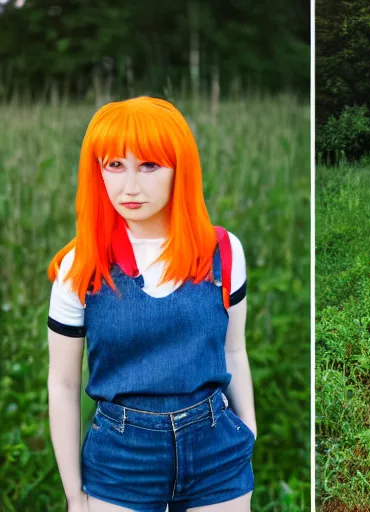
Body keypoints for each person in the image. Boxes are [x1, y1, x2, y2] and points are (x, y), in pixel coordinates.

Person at [46, 96, 256, 512]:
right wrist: (74, 496)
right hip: (121, 459)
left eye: (148, 165)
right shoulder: (79, 266)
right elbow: (64, 384)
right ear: (97, 171)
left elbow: (234, 350)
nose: (130, 187)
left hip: (217, 451)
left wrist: (248, 430)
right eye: (114, 166)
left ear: (180, 169)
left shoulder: (222, 251)